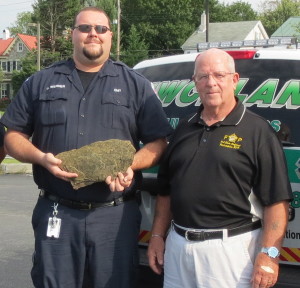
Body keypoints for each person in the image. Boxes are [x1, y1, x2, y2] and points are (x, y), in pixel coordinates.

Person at [0, 6, 173, 288]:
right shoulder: (41, 82)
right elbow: (13, 137)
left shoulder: (135, 85)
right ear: (73, 34)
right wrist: (41, 158)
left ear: (110, 36)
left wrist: (131, 165)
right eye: (85, 28)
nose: (93, 34)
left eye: (100, 28)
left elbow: (158, 143)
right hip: (57, 212)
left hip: (114, 216)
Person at [147, 48, 293, 288]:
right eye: (202, 76)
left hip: (231, 252)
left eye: (219, 75)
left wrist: (269, 255)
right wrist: (156, 236)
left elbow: (276, 202)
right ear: (194, 82)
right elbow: (166, 191)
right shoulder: (184, 128)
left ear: (234, 80)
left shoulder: (258, 131)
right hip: (177, 248)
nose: (210, 83)